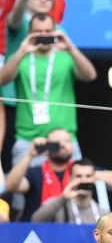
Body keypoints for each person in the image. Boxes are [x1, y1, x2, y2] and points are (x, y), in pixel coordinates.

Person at [0, 12, 96, 162]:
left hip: (65, 140)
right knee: (24, 185)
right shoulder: (21, 57)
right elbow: (2, 80)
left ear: (55, 32)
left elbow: (90, 75)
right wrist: (21, 51)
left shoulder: (66, 57)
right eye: (38, 32)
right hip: (29, 141)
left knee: (68, 184)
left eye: (48, 31)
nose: (43, 35)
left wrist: (70, 47)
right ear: (29, 33)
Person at [5, 128, 112, 222]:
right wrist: (29, 155)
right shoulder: (36, 172)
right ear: (47, 145)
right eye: (57, 142)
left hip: (71, 232)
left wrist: (86, 176)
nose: (62, 145)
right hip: (39, 232)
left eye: (67, 141)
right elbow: (11, 186)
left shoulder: (79, 168)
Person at [31, 157, 104, 224]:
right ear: (69, 179)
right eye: (78, 176)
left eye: (88, 176)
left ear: (94, 179)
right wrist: (63, 198)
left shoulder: (103, 214)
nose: (83, 180)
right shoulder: (59, 205)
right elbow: (35, 220)